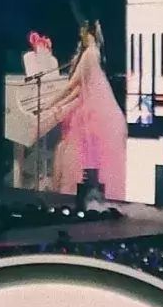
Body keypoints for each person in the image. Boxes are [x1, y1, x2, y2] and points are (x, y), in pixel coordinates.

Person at [51, 20, 128, 201]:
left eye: (82, 33)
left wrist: (51, 102)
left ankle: (71, 193)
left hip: (92, 111)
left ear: (89, 34)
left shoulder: (89, 54)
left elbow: (73, 85)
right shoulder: (95, 53)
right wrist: (58, 102)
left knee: (77, 150)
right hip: (95, 108)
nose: (81, 36)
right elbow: (78, 88)